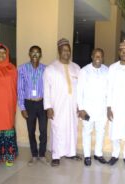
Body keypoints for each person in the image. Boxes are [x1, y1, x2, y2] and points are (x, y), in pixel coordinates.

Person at [43, 38, 81, 167]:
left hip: (73, 106)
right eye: (64, 50)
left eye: (68, 50)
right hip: (57, 106)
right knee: (57, 129)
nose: (67, 52)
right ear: (59, 51)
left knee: (72, 128)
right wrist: (48, 107)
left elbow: (80, 89)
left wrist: (79, 105)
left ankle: (71, 152)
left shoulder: (76, 68)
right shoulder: (51, 69)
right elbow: (46, 89)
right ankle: (56, 155)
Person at [18, 45, 49, 166]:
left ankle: (42, 154)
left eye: (37, 53)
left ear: (40, 55)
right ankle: (34, 155)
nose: (35, 55)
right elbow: (20, 89)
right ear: (29, 54)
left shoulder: (46, 69)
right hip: (29, 103)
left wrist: (48, 105)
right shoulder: (22, 69)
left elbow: (48, 88)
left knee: (43, 130)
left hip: (42, 103)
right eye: (33, 52)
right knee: (31, 131)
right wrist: (22, 107)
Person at [77, 48, 108, 166]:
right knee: (87, 132)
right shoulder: (84, 71)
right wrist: (81, 109)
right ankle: (87, 156)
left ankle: (98, 154)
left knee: (101, 131)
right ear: (92, 56)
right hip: (88, 108)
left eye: (100, 56)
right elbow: (79, 91)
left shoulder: (107, 70)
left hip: (102, 108)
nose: (98, 58)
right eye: (96, 56)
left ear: (103, 58)